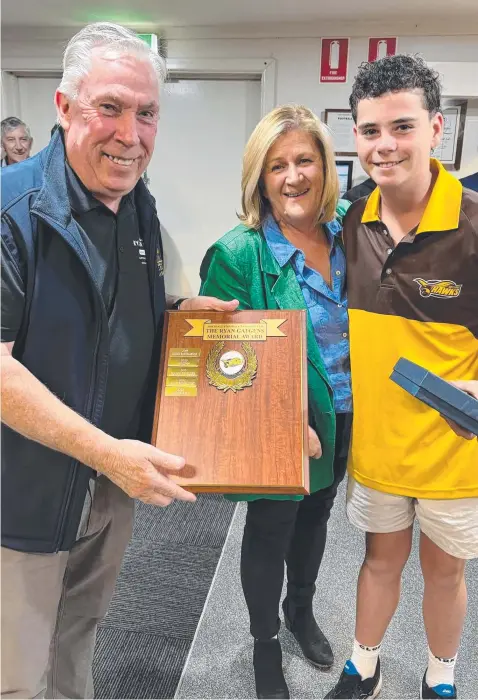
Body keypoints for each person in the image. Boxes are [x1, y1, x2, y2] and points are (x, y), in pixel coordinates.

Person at [1, 22, 237, 699]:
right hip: (24, 495)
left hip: (109, 489)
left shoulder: (136, 202)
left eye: (147, 113)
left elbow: (107, 312)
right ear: (64, 106)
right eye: (110, 107)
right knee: (17, 673)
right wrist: (107, 453)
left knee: (80, 637)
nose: (130, 134)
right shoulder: (11, 211)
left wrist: (173, 312)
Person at [325, 55, 478, 700]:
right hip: (379, 448)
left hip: (453, 452)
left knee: (444, 574)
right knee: (377, 562)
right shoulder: (351, 222)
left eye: (402, 126)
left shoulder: (472, 225)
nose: (384, 145)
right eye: (369, 131)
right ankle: (365, 663)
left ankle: (440, 676)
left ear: (437, 128)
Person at [200, 104, 353, 699]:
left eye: (304, 161)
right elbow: (223, 362)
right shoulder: (239, 254)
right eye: (276, 165)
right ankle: (265, 642)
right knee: (270, 528)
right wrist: (289, 421)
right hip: (279, 421)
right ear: (258, 177)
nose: (293, 177)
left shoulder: (351, 229)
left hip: (345, 412)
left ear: (325, 166)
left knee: (317, 517)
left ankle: (301, 611)